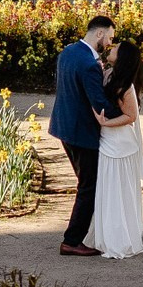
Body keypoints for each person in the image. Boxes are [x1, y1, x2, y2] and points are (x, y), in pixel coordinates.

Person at [49, 14, 117, 256]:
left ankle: (90, 232)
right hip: (81, 132)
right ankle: (72, 240)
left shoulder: (68, 52)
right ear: (99, 33)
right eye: (109, 38)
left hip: (63, 126)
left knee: (87, 183)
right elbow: (99, 104)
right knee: (89, 186)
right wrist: (127, 114)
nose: (109, 43)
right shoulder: (89, 64)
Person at [85, 38, 143, 260]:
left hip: (120, 145)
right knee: (108, 190)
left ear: (122, 58)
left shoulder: (124, 86)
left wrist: (106, 123)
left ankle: (119, 239)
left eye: (117, 48)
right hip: (108, 140)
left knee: (117, 191)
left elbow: (131, 116)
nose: (112, 48)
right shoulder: (109, 74)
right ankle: (109, 234)